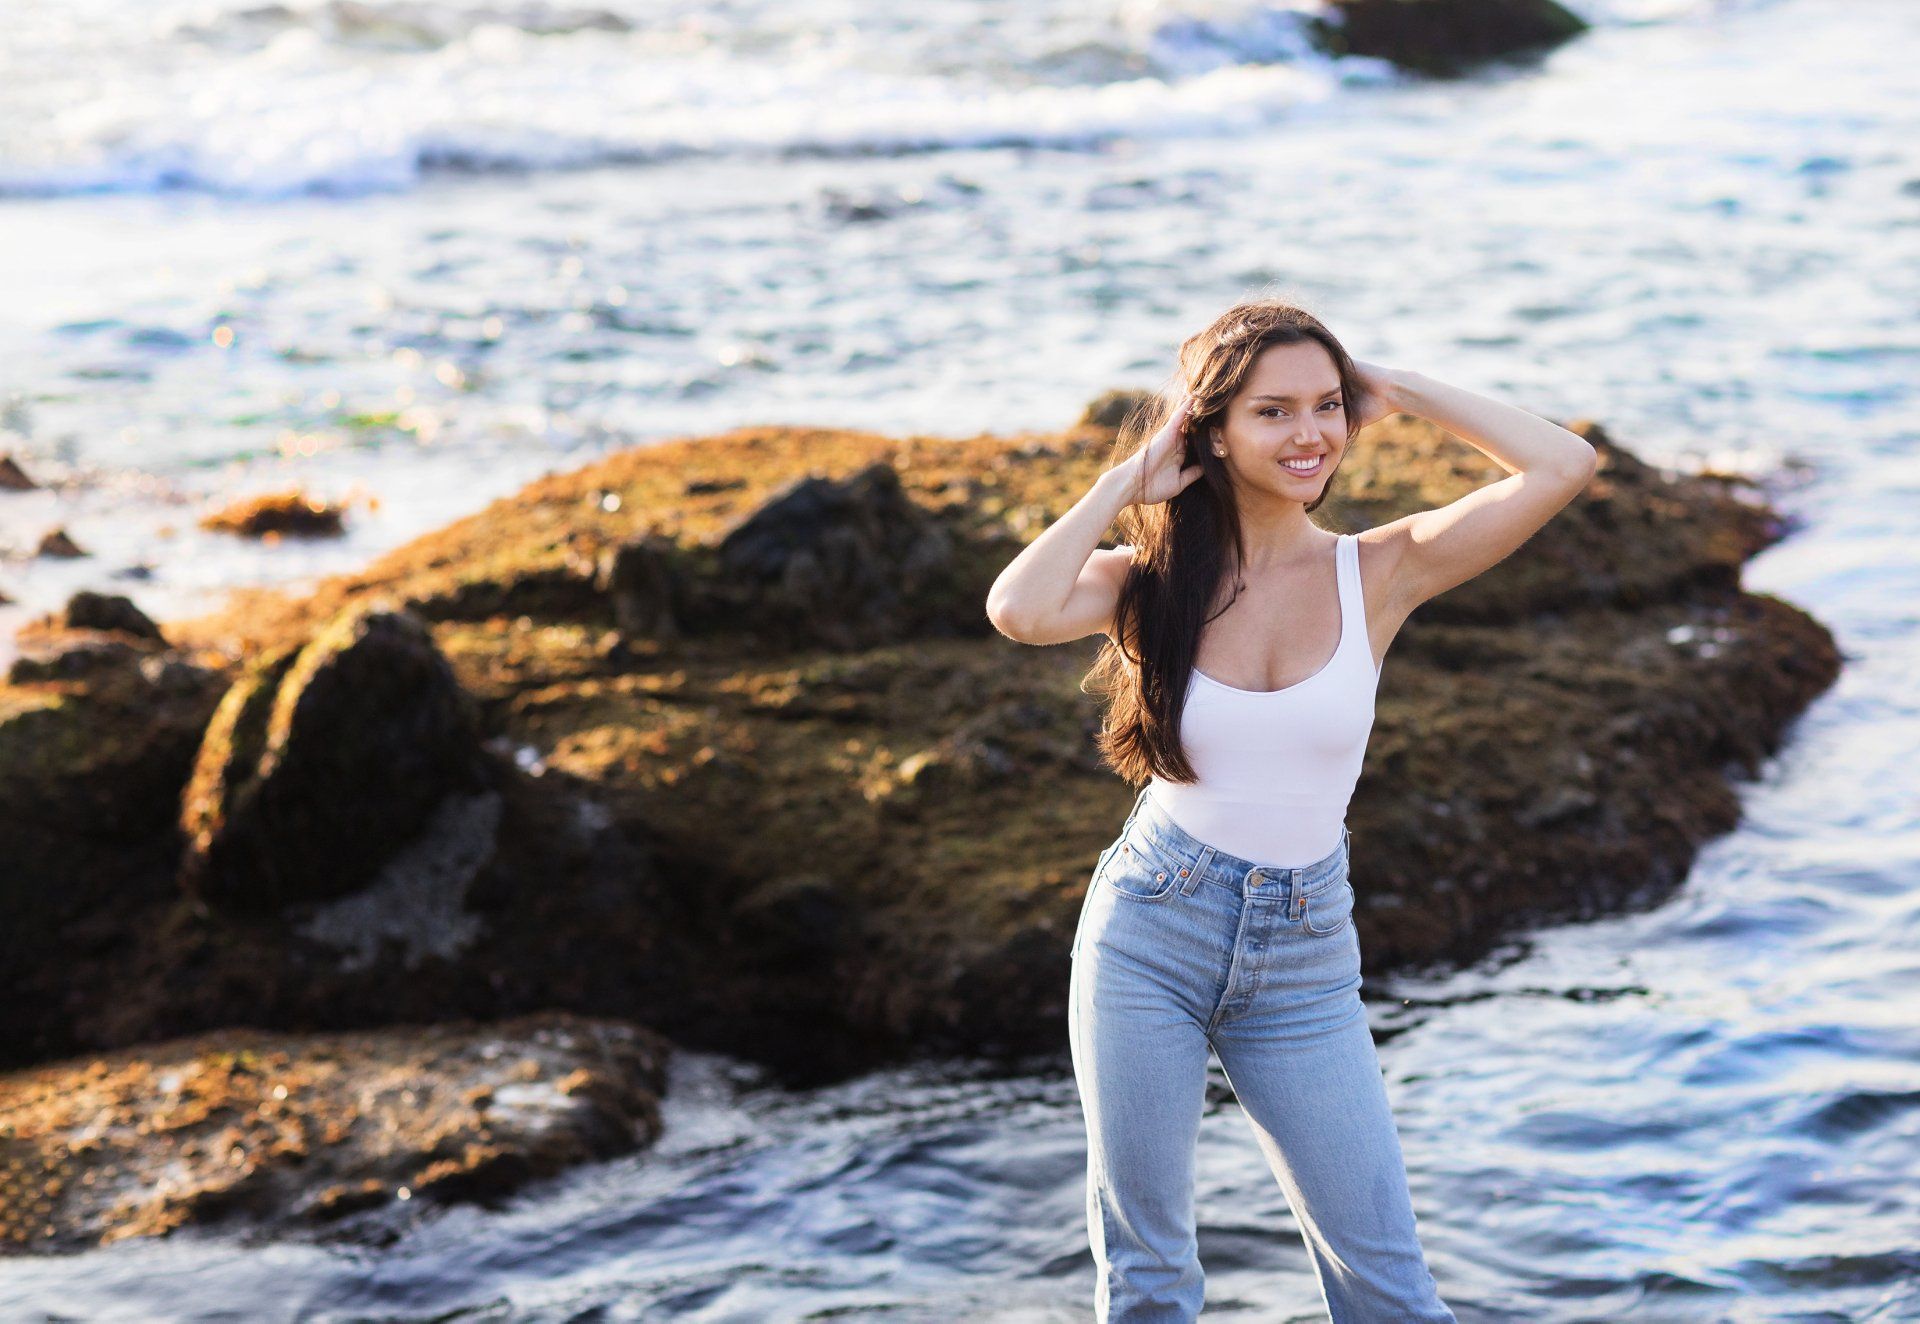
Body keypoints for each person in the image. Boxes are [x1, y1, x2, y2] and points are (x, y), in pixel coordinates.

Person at [985, 299, 1597, 1321]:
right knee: (1148, 1277)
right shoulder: (1150, 583)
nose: (1310, 434)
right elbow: (1018, 607)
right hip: (1150, 927)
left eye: (1327, 406)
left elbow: (1561, 467)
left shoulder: (1380, 570)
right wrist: (1122, 481)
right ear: (1210, 431)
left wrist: (1392, 383)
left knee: (1389, 1290)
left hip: (1305, 951)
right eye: (1273, 412)